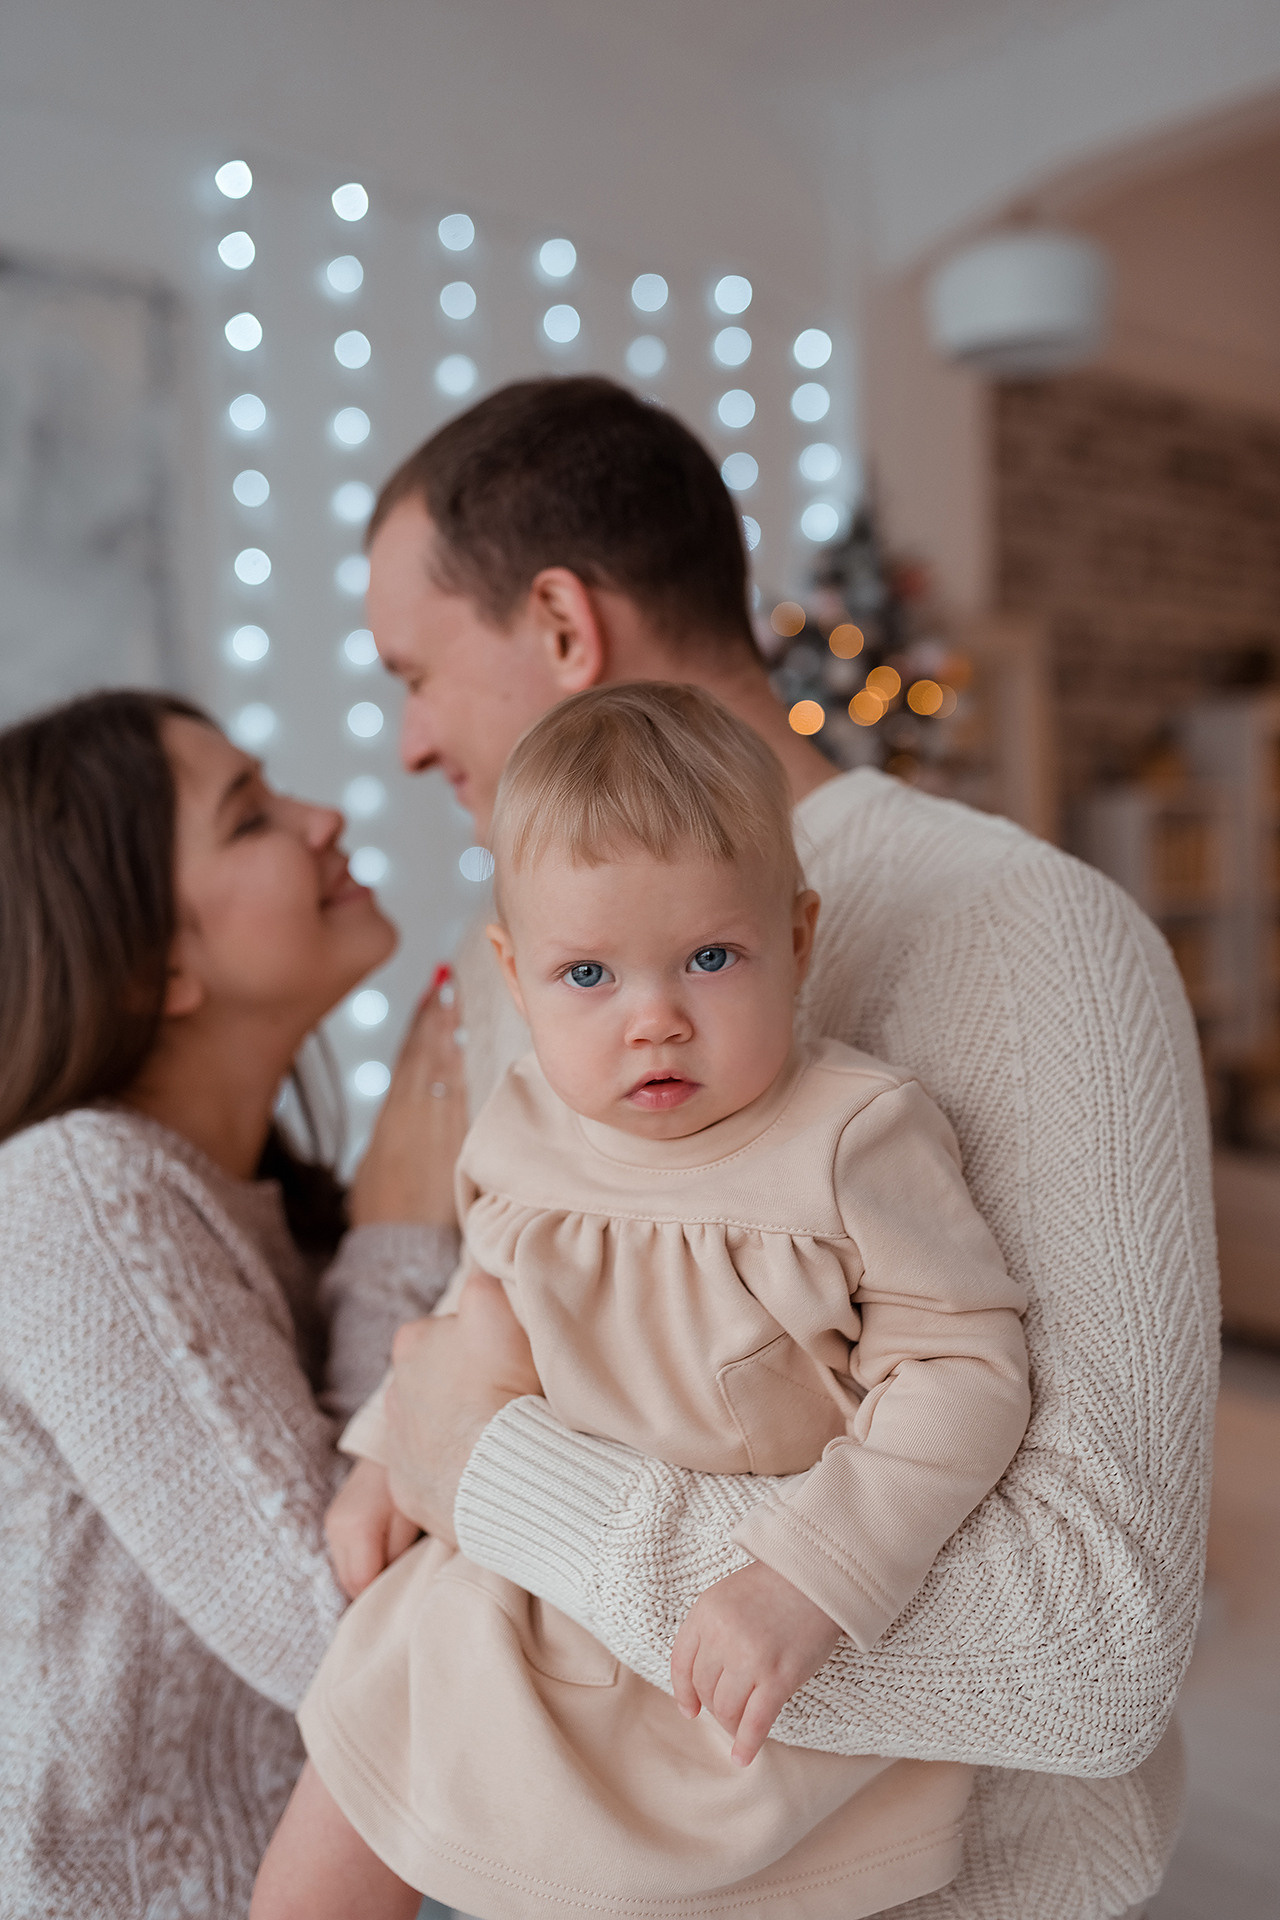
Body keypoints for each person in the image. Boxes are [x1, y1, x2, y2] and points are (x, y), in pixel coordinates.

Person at [359, 377, 1217, 1920]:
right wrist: (414, 1439)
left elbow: (1095, 1651)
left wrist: (493, 1475)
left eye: (416, 670)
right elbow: (510, 1336)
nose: (412, 741)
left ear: (562, 625)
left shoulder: (1038, 941)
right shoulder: (542, 994)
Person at [253, 684, 1031, 1920]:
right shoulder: (523, 1124)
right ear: (514, 974)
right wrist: (384, 1454)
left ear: (799, 939)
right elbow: (481, 1301)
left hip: (730, 1621)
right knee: (363, 1711)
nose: (653, 1017)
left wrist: (807, 1577)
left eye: (711, 959)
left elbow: (965, 1370)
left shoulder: (849, 1140)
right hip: (523, 1589)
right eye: (587, 974)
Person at [0, 690, 469, 1918]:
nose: (323, 820)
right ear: (157, 962)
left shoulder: (258, 1203)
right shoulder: (72, 1192)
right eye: (251, 816)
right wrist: (400, 1227)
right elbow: (333, 1640)